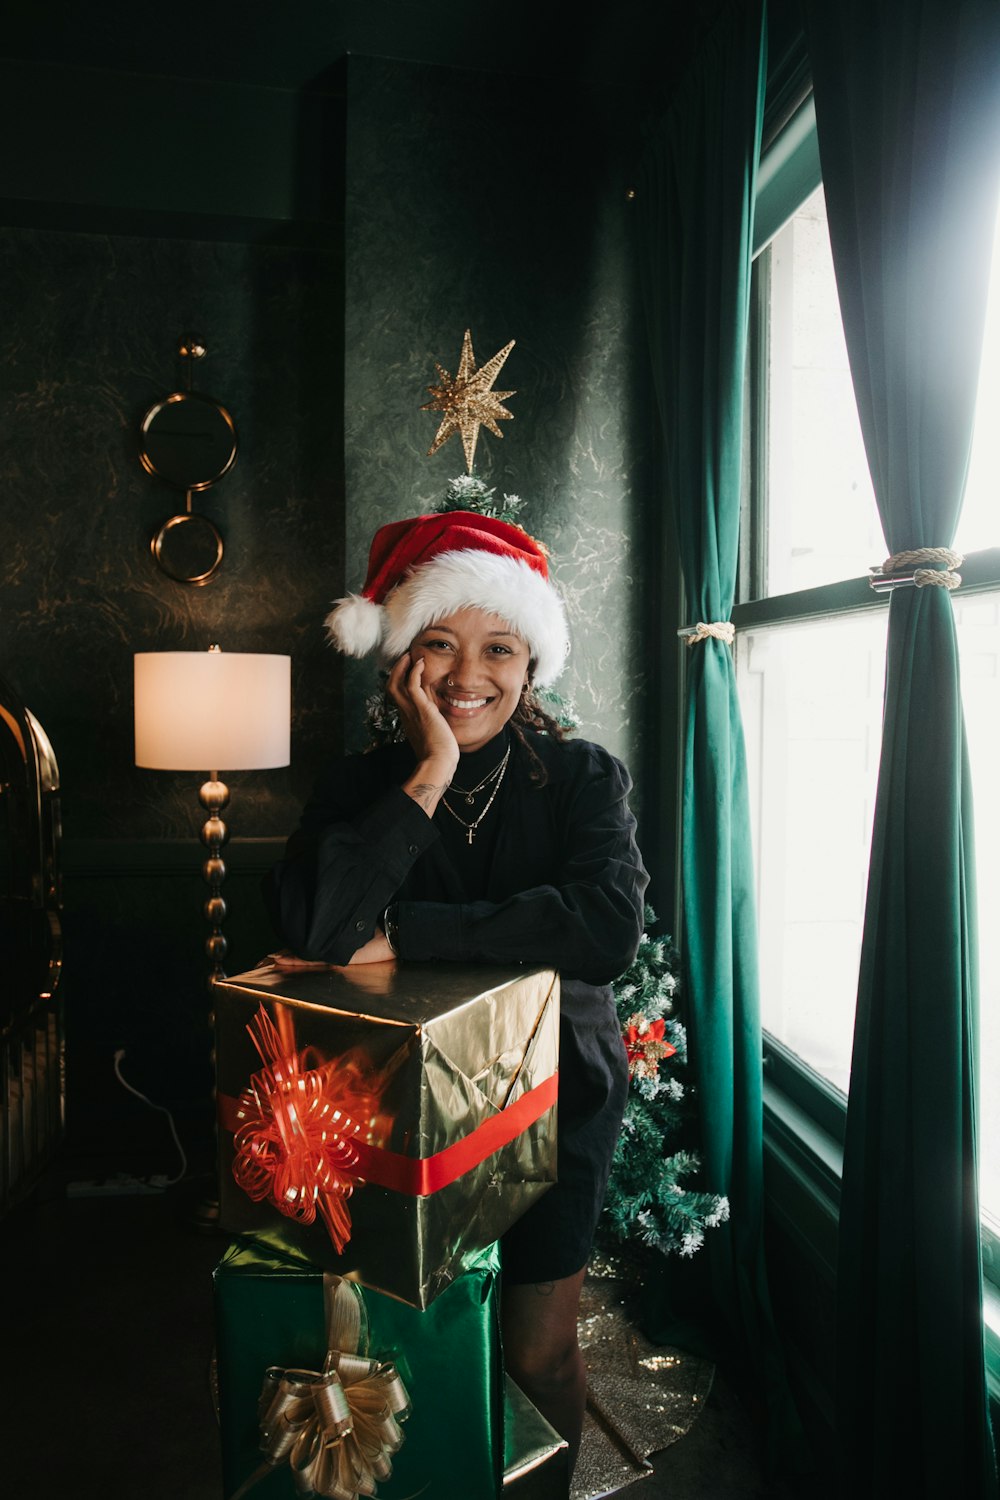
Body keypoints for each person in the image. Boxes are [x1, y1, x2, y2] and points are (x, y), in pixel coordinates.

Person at [264, 509, 648, 1474]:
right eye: (439, 643)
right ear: (400, 656)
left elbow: (602, 930)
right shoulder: (361, 785)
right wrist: (430, 771)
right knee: (413, 1337)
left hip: (557, 1089)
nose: (466, 674)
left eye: (498, 649)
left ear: (530, 666)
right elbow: (314, 932)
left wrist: (406, 935)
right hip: (397, 1097)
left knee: (536, 1349)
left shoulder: (582, 777)